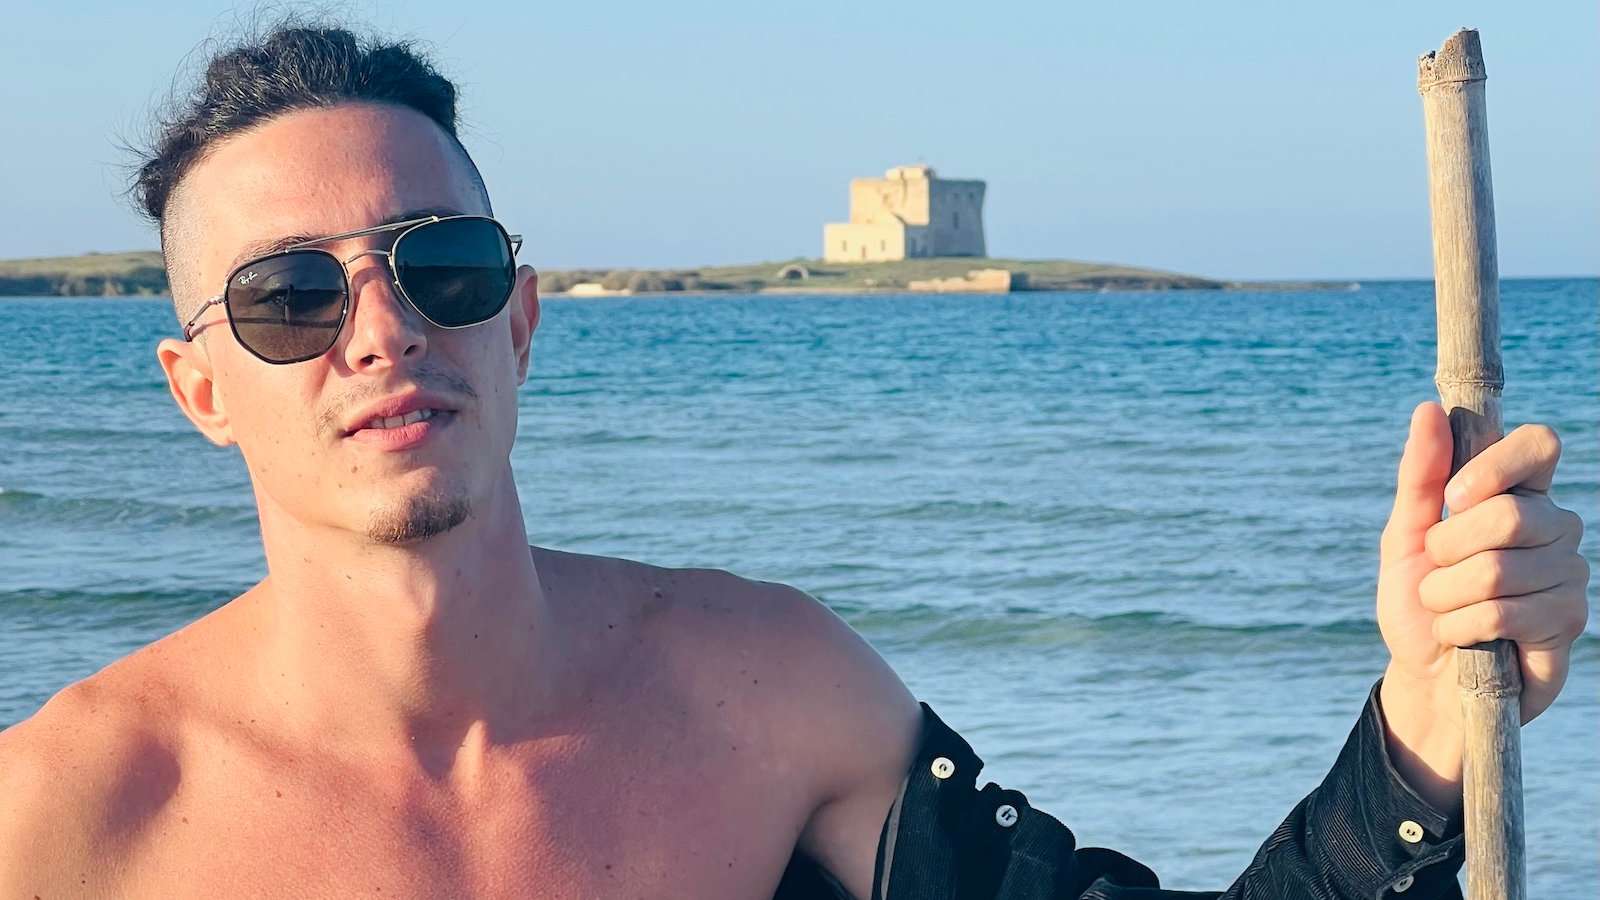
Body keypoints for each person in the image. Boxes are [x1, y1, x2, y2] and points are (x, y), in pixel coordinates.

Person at [0, 23, 1588, 900]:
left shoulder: (767, 695)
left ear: (522, 320)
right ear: (198, 387)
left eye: (446, 264)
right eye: (291, 296)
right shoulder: (68, 825)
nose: (382, 331)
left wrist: (1423, 721)